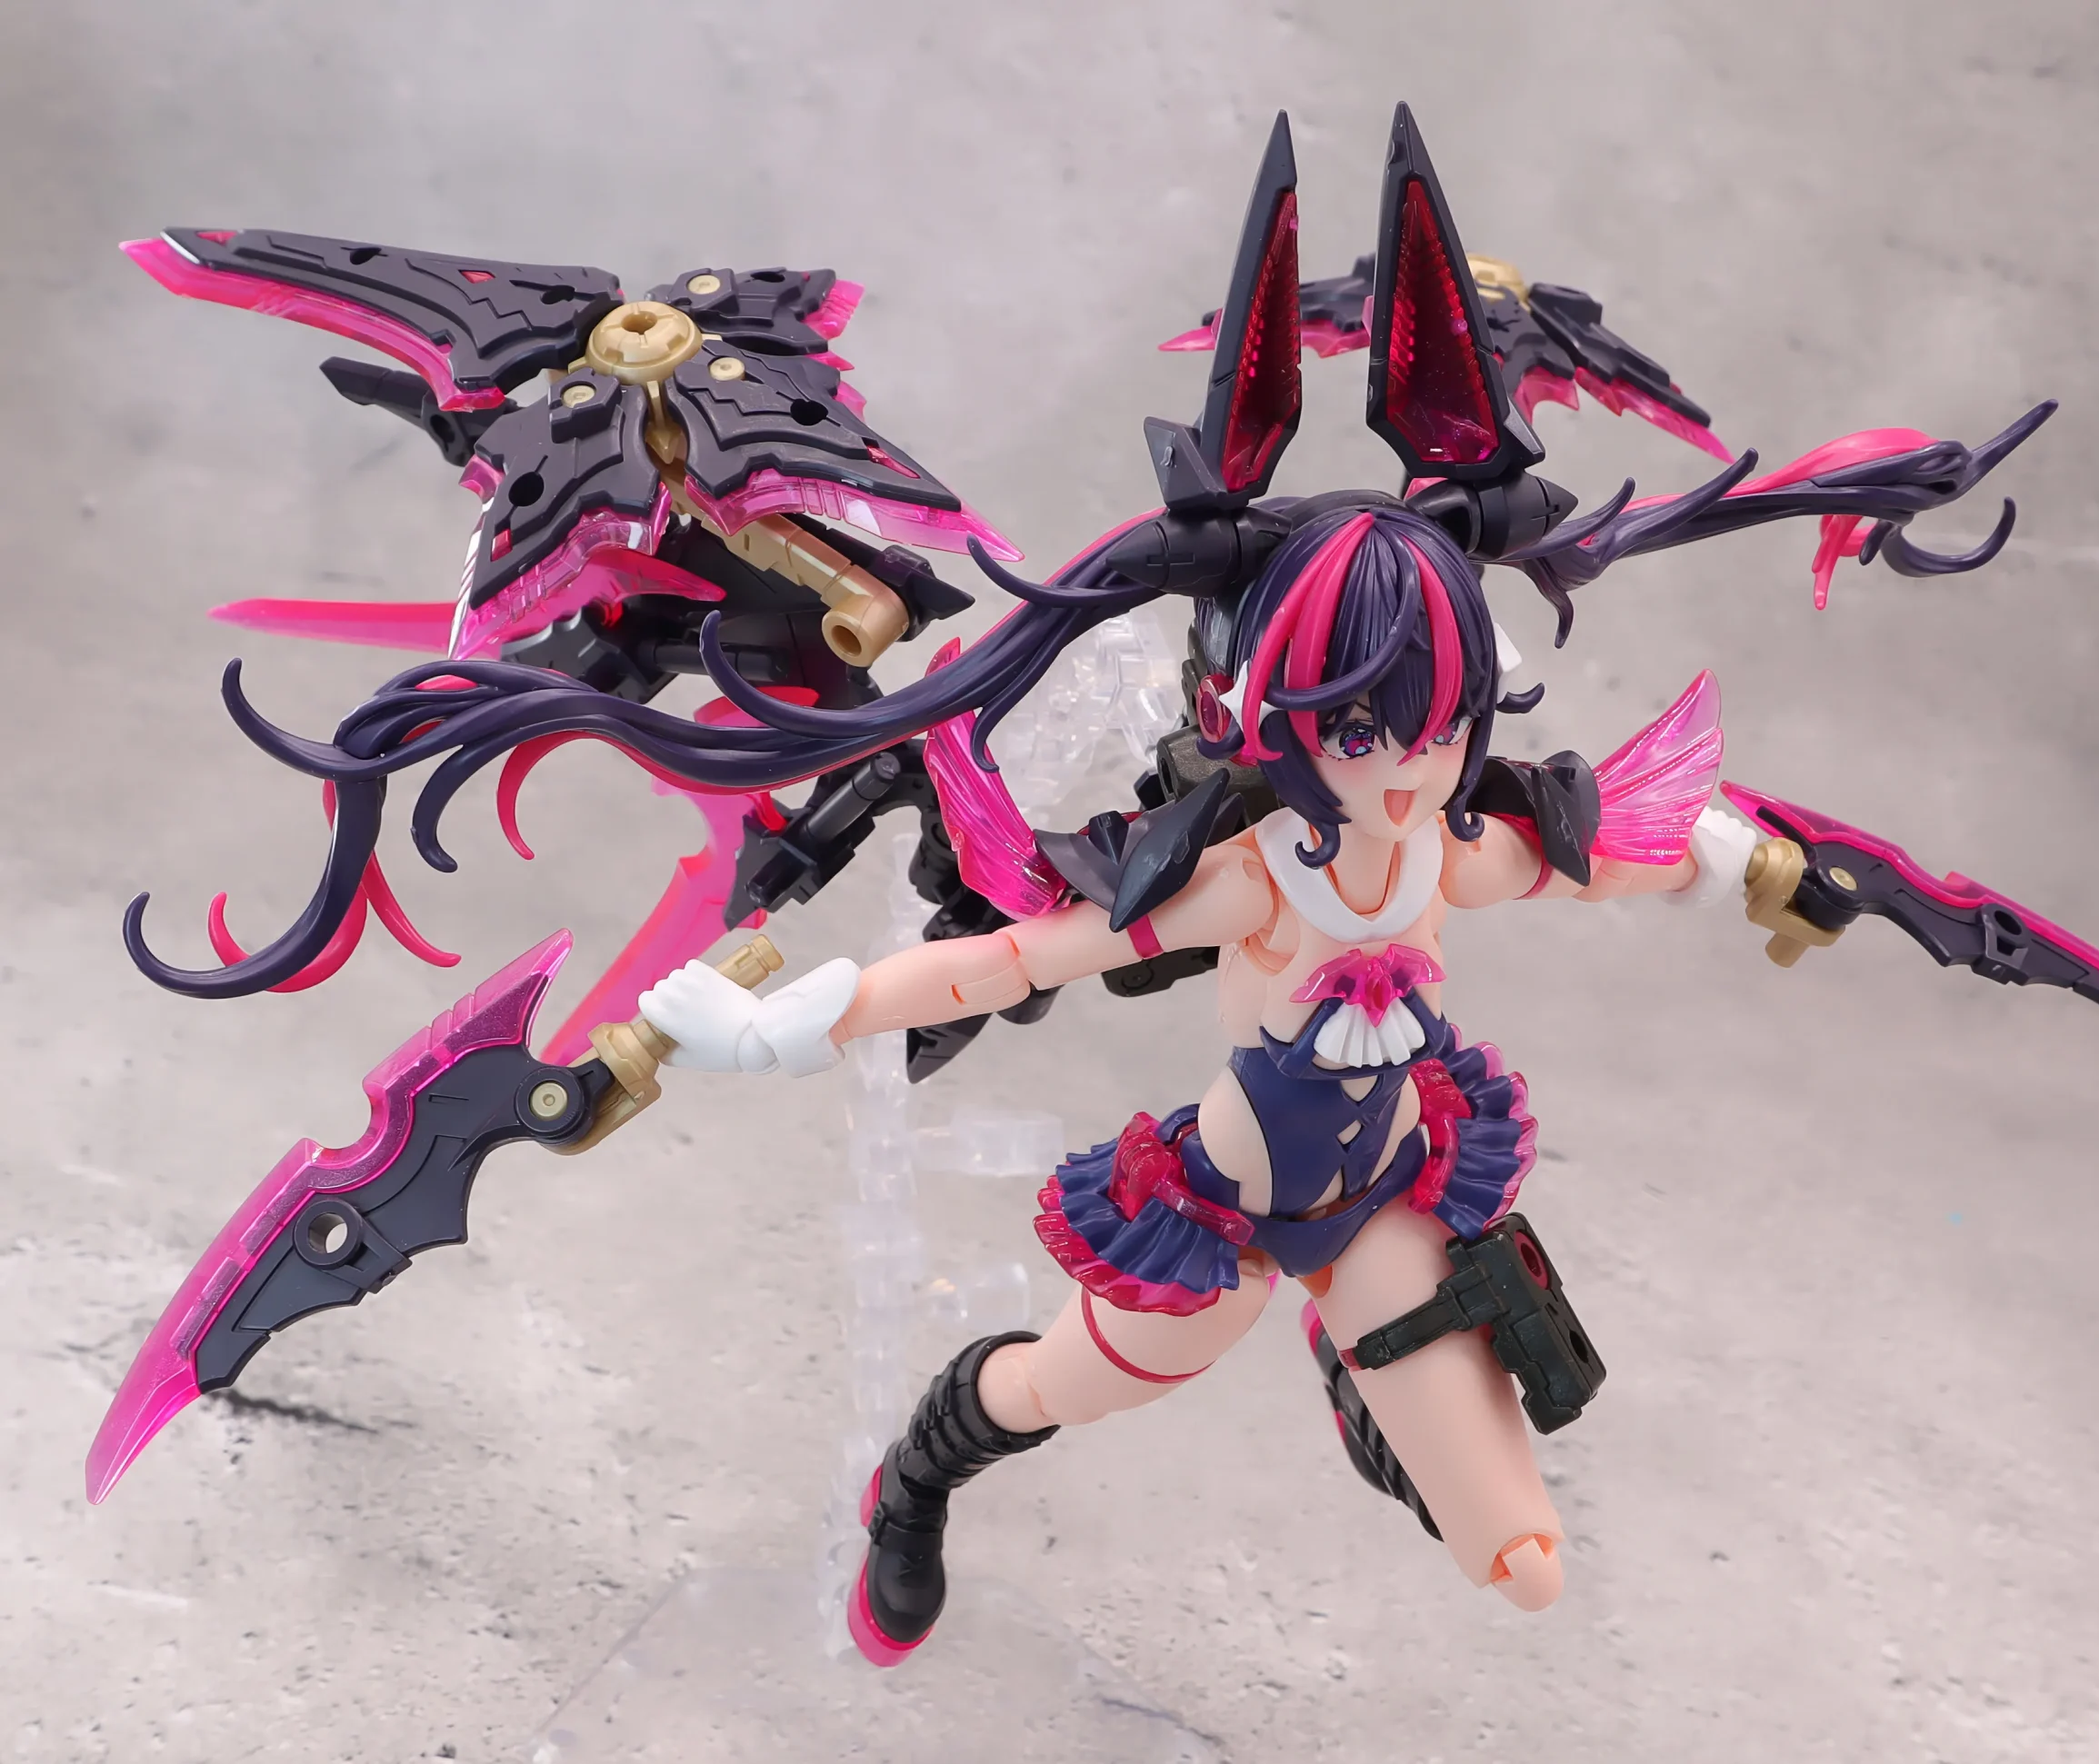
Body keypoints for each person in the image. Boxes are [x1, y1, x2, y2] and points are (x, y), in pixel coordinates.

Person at [637, 505, 1760, 1662]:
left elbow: (1590, 867)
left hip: (1383, 1208)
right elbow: (1016, 958)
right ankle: (916, 1480)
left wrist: (1726, 861)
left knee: (1523, 1566)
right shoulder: (1248, 882)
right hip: (1219, 1221)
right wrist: (790, 1023)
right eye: (1359, 731)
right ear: (1274, 718)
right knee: (1060, 1388)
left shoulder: (1444, 854)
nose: (1406, 772)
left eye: (1439, 729)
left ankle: (1359, 1366)